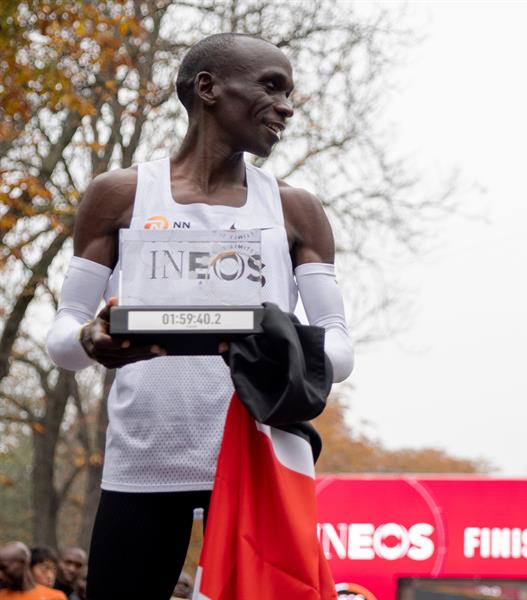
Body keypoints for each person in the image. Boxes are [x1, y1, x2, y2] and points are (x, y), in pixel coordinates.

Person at [45, 32, 353, 600]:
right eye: (271, 86)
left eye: (289, 92)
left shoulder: (295, 208)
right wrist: (93, 340)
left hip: (259, 453)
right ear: (208, 88)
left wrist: (276, 346)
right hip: (145, 456)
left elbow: (338, 348)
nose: (286, 105)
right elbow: (63, 338)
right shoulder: (120, 195)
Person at [0, 543, 66, 600]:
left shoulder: (55, 597)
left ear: (24, 563)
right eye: (44, 569)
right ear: (29, 568)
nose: (50, 576)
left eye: (54, 570)